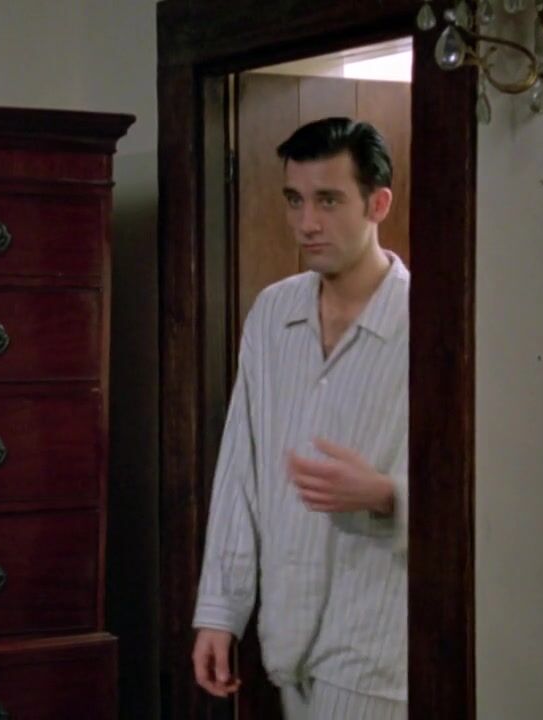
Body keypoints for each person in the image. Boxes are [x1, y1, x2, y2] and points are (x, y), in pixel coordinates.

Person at [190, 117, 409, 719]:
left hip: (379, 645)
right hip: (288, 640)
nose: (307, 222)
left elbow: (483, 490)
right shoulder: (273, 313)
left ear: (378, 204)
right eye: (295, 200)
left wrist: (386, 494)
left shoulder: (425, 321)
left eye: (328, 200)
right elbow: (240, 470)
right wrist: (220, 611)